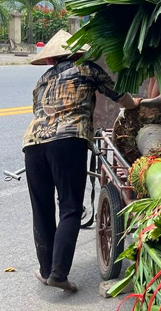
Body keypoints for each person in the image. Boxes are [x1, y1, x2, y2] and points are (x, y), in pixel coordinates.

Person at [23, 30, 141, 293]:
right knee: (70, 208)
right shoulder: (87, 69)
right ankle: (58, 273)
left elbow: (38, 112)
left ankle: (46, 271)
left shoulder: (42, 80)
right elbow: (118, 94)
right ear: (78, 53)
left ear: (52, 59)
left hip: (32, 145)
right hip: (68, 142)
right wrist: (135, 106)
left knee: (41, 209)